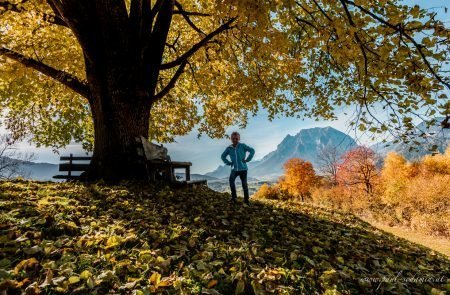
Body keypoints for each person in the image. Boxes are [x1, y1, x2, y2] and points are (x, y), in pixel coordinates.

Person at [221, 132, 255, 205]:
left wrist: (248, 159)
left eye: (236, 138)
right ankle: (234, 198)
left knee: (244, 184)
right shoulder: (229, 148)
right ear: (231, 139)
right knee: (231, 181)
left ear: (239, 138)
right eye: (233, 138)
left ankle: (246, 200)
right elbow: (223, 156)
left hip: (243, 169)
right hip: (234, 169)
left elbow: (252, 150)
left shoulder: (242, 146)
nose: (235, 140)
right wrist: (229, 163)